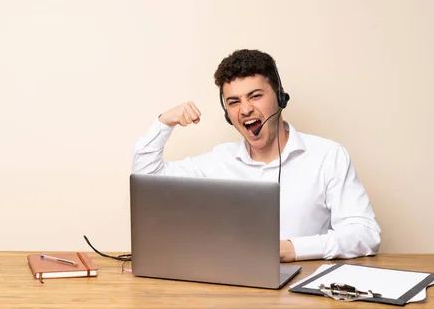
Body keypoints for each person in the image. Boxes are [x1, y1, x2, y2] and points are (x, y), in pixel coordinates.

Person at [131, 49, 381, 262]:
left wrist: (292, 249)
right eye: (234, 101)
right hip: (232, 288)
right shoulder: (218, 161)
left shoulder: (328, 156)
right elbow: (146, 179)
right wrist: (164, 123)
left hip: (304, 289)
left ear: (280, 98)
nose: (246, 109)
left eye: (255, 96)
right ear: (227, 113)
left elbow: (365, 233)